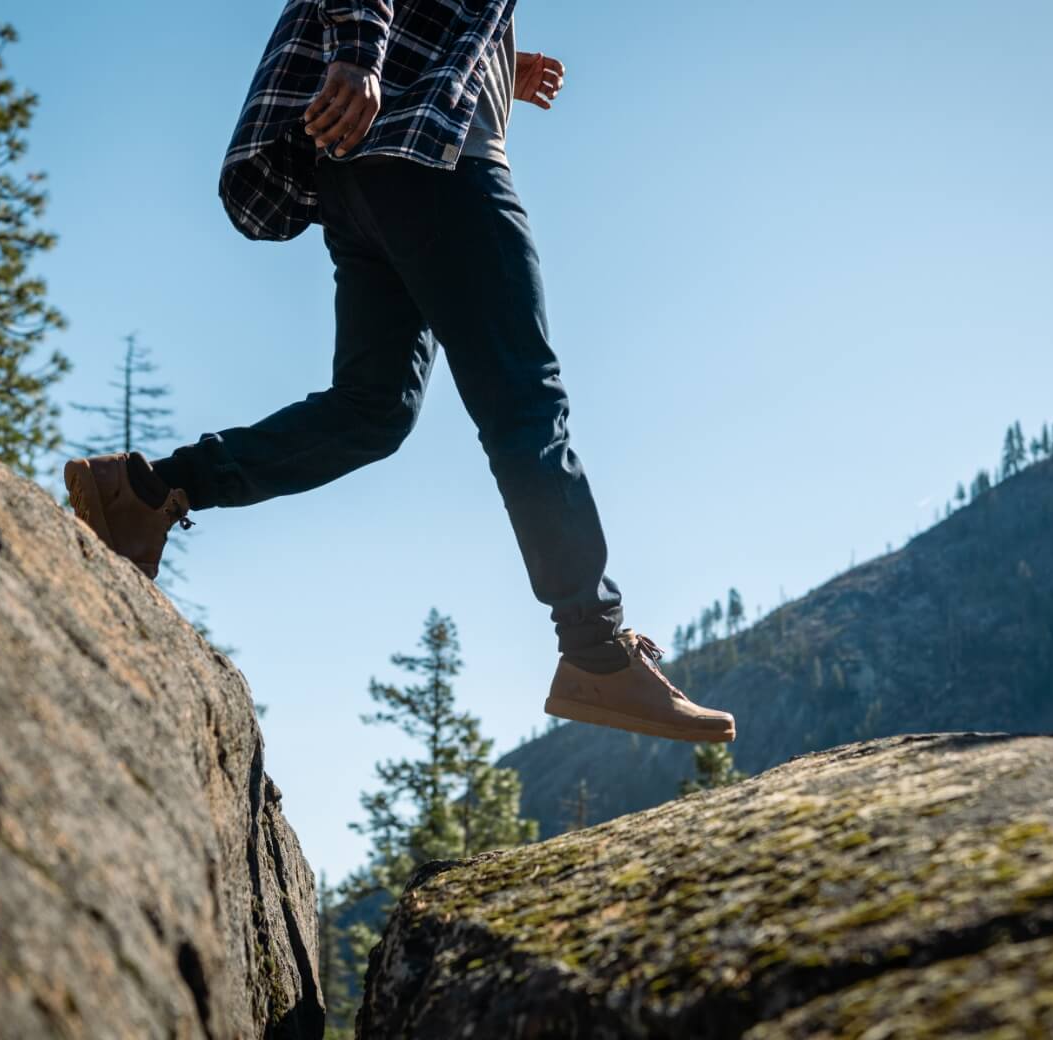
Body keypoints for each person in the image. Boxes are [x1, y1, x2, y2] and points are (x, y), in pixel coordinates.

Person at [63, 0, 735, 744]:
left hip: (366, 175)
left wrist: (498, 65)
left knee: (373, 409)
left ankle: (147, 490)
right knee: (525, 404)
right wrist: (357, 52)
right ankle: (596, 649)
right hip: (438, 165)